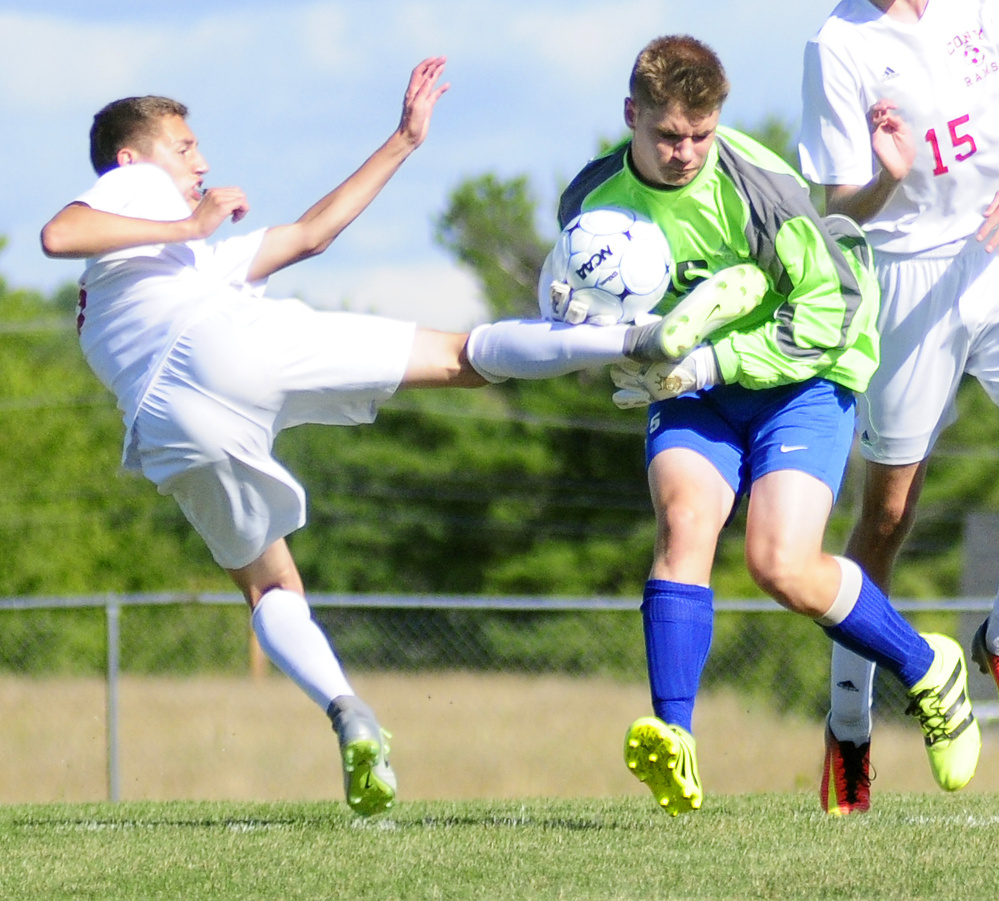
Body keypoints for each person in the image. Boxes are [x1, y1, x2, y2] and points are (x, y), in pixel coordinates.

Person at [39, 55, 729, 816]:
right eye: (183, 146)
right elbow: (59, 230)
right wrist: (188, 220)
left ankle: (346, 711)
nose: (200, 161)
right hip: (211, 337)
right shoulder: (136, 191)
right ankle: (639, 340)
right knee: (460, 355)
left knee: (271, 586)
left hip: (166, 422)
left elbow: (309, 234)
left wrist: (402, 141)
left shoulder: (163, 266)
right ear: (132, 158)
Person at [467, 32, 983, 816]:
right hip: (691, 386)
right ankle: (673, 740)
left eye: (698, 136)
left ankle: (925, 665)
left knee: (780, 563)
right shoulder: (590, 199)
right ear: (630, 115)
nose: (683, 153)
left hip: (800, 376)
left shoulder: (759, 186)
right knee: (683, 523)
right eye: (667, 135)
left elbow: (834, 307)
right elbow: (586, 307)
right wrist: (627, 347)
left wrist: (708, 360)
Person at [798, 0, 999, 815]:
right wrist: (885, 174)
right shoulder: (837, 44)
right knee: (885, 517)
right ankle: (849, 726)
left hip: (988, 254)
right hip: (899, 276)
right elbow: (832, 209)